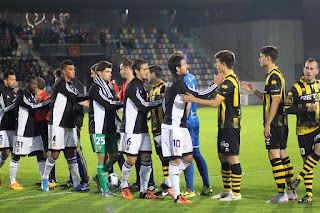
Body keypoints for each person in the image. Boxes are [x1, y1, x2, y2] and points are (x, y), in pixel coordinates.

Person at [162, 52, 223, 204]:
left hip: (181, 127)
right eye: (184, 64)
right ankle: (177, 196)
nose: (187, 66)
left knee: (188, 157)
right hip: (173, 127)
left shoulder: (176, 81)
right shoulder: (177, 83)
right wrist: (215, 85)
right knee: (176, 160)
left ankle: (168, 182)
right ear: (177, 68)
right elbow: (198, 95)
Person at [182, 50, 242, 201]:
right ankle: (226, 190)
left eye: (217, 63)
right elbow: (219, 97)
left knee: (233, 157)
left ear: (223, 64)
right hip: (223, 124)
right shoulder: (225, 80)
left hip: (231, 124)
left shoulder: (230, 82)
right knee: (222, 156)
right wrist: (215, 86)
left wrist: (194, 99)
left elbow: (215, 103)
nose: (215, 65)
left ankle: (236, 193)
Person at [241, 46, 296, 203]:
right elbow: (270, 98)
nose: (259, 59)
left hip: (276, 124)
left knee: (274, 156)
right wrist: (254, 91)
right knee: (283, 156)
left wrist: (268, 124)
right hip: (282, 123)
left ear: (268, 58)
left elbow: (276, 101)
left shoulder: (274, 77)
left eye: (261, 56)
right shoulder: (275, 75)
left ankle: (281, 194)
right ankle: (291, 192)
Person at [41, 60, 90, 192]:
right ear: (64, 71)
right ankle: (45, 179)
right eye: (70, 69)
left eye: (74, 69)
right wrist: (93, 94)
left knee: (72, 153)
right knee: (55, 154)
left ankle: (76, 184)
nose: (73, 72)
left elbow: (78, 98)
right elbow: (76, 97)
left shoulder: (71, 85)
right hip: (57, 124)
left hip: (70, 124)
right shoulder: (61, 83)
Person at [118, 58, 162, 199]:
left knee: (146, 157)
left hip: (142, 129)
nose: (147, 71)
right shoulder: (133, 87)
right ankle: (124, 186)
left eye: (147, 69)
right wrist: (160, 101)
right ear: (136, 71)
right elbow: (143, 105)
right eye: (144, 69)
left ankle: (144, 190)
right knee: (131, 159)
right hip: (131, 129)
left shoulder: (142, 86)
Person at [287, 58, 320, 203]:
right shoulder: (295, 88)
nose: (309, 71)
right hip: (303, 130)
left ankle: (298, 178)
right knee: (308, 162)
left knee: (318, 151)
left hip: (318, 126)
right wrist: (306, 109)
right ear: (303, 70)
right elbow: (288, 108)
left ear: (317, 72)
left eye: (312, 69)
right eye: (307, 68)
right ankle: (309, 195)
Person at [89, 61, 123, 197]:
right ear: (99, 73)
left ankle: (99, 176)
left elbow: (114, 102)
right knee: (101, 157)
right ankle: (105, 190)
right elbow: (108, 105)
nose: (110, 74)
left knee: (114, 157)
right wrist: (125, 102)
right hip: (97, 128)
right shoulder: (95, 88)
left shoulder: (110, 86)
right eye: (107, 72)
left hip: (110, 127)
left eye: (110, 71)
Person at [11, 75, 51, 189]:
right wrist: (46, 102)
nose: (35, 86)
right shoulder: (22, 96)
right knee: (16, 156)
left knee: (40, 155)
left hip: (34, 131)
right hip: (23, 132)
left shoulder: (32, 95)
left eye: (36, 84)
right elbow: (33, 107)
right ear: (27, 84)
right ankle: (12, 182)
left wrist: (44, 102)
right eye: (33, 84)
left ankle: (45, 180)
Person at [182, 69, 213, 198]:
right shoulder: (192, 78)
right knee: (196, 153)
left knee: (186, 154)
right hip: (195, 119)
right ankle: (207, 186)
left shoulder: (182, 80)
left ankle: (189, 190)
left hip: (188, 120)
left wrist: (183, 121)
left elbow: (188, 102)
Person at [147, 65, 173, 197]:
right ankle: (167, 185)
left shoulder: (164, 88)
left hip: (163, 128)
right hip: (155, 129)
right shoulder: (152, 90)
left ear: (153, 74)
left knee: (167, 156)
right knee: (162, 157)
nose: (147, 75)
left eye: (148, 73)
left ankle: (170, 186)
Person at [35, 77, 58, 188]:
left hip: (45, 125)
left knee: (48, 152)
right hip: (38, 126)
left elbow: (49, 104)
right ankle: (45, 177)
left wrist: (41, 102)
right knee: (42, 152)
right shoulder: (35, 97)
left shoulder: (45, 97)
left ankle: (52, 178)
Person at [0, 71, 17, 187]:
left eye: (15, 80)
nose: (14, 82)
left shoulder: (14, 93)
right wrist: (18, 101)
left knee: (13, 153)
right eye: (11, 80)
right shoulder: (1, 92)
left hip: (13, 127)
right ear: (5, 80)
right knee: (5, 152)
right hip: (2, 127)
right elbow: (5, 108)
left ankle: (13, 181)